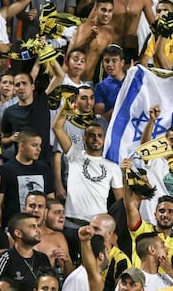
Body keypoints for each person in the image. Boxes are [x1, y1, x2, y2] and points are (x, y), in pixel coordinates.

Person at [53, 105, 123, 265]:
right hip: (72, 225)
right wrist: (65, 108)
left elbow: (120, 203)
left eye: (99, 135)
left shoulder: (112, 167)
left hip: (98, 228)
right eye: (91, 135)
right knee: (69, 266)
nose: (96, 139)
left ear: (104, 139)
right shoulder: (74, 155)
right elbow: (57, 128)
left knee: (96, 268)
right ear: (84, 138)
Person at [122, 158, 173, 269]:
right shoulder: (142, 230)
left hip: (165, 286)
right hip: (139, 283)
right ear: (155, 214)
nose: (165, 215)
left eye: (171, 212)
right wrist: (126, 176)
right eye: (161, 211)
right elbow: (130, 206)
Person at [53, 85, 106, 200]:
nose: (89, 102)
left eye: (92, 98)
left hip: (97, 181)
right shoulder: (66, 123)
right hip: (73, 182)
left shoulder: (100, 122)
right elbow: (57, 155)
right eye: (84, 98)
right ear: (75, 100)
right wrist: (58, 185)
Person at [139, 106, 173, 224]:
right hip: (150, 221)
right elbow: (145, 146)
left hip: (170, 227)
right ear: (165, 140)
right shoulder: (155, 160)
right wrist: (151, 121)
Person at [0, 129, 55, 227]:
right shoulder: (6, 169)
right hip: (15, 226)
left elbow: (50, 199)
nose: (39, 149)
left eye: (40, 145)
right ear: (21, 146)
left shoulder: (44, 168)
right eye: (34, 145)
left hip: (39, 226)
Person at [1, 72, 53, 163]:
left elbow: (59, 76)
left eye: (24, 83)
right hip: (21, 164)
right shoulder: (9, 112)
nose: (21, 87)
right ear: (14, 89)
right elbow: (4, 141)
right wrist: (11, 139)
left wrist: (48, 59)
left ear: (32, 87)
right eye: (17, 85)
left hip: (44, 163)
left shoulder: (43, 103)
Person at [0, 212, 52, 291]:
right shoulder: (5, 259)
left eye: (37, 226)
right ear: (18, 233)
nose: (39, 230)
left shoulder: (43, 258)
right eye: (33, 227)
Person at [24, 192, 74, 277]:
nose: (36, 210)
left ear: (46, 212)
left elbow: (69, 275)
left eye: (40, 206)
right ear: (24, 209)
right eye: (32, 206)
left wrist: (66, 261)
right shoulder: (13, 236)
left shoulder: (57, 237)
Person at [68, 0, 114, 82]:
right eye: (103, 10)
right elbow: (71, 53)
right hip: (72, 80)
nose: (106, 14)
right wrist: (90, 38)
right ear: (96, 10)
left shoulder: (108, 34)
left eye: (110, 11)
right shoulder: (84, 28)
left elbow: (107, 61)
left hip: (89, 82)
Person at [110, 0, 155, 64]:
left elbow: (156, 29)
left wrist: (145, 55)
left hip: (132, 49)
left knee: (131, 76)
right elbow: (93, 21)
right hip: (111, 48)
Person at [89, 213, 131, 291]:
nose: (90, 232)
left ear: (109, 234)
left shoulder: (120, 260)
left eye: (96, 229)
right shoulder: (85, 250)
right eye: (90, 228)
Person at [63, 226, 108, 291]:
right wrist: (85, 241)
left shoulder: (88, 277)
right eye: (107, 251)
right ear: (101, 256)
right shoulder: (79, 278)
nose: (109, 255)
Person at [94, 45, 126, 121]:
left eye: (114, 61)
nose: (110, 65)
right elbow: (100, 119)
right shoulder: (100, 87)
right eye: (107, 61)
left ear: (122, 63)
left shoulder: (133, 82)